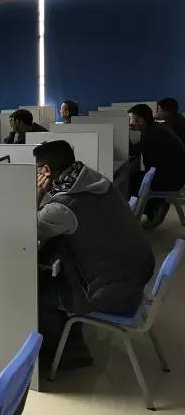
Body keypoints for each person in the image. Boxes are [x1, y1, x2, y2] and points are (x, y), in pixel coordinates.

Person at [34, 140, 154, 365]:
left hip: (114, 292)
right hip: (134, 272)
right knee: (52, 264)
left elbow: (26, 227)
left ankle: (66, 352)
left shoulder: (62, 208)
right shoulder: (93, 180)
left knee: (36, 293)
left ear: (45, 171)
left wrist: (38, 194)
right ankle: (72, 337)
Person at [128, 104, 185, 228]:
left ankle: (154, 210)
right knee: (134, 178)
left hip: (171, 180)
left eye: (132, 119)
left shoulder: (152, 134)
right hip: (176, 175)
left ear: (140, 120)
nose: (131, 123)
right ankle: (156, 207)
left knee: (131, 182)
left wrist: (125, 139)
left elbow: (135, 151)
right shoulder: (154, 128)